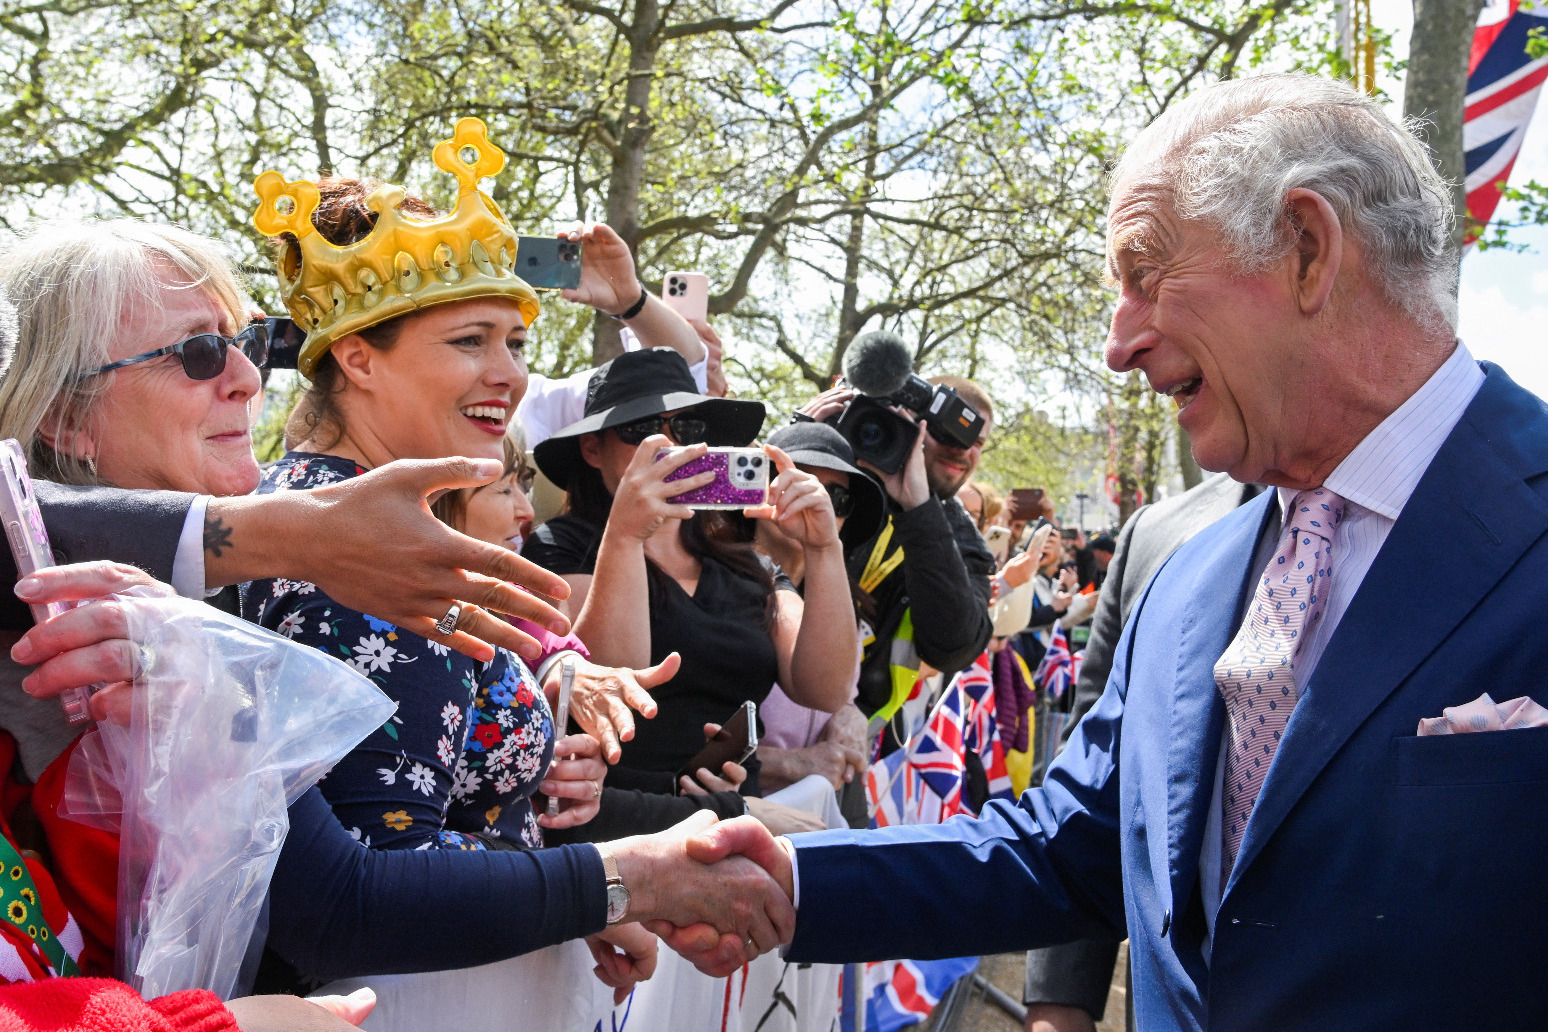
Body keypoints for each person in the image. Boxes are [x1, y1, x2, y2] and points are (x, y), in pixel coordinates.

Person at [640, 73, 1548, 1030]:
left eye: (1146, 276)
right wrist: (781, 879)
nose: (1119, 344)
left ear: (1305, 249)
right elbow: (1064, 849)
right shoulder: (1186, 575)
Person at [525, 348, 858, 798]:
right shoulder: (559, 545)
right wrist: (625, 535)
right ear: (591, 449)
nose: (666, 445)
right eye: (639, 429)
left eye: (686, 427)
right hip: (615, 813)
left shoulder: (749, 565)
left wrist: (824, 548)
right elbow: (613, 679)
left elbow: (826, 689)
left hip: (735, 809)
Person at [1020, 475, 1260, 1032]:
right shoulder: (1156, 532)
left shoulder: (1492, 501)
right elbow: (1095, 790)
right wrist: (1061, 995)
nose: (1132, 379)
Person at [794, 374, 996, 744]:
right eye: (948, 435)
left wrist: (918, 508)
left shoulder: (964, 541)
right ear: (910, 422)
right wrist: (800, 444)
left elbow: (955, 647)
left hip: (852, 743)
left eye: (976, 443)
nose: (962, 451)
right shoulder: (838, 480)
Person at [748, 421, 882, 795]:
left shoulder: (845, 604)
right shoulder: (716, 588)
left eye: (837, 499)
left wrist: (849, 711)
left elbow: (839, 694)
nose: (814, 501)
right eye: (798, 482)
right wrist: (791, 764)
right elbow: (684, 742)